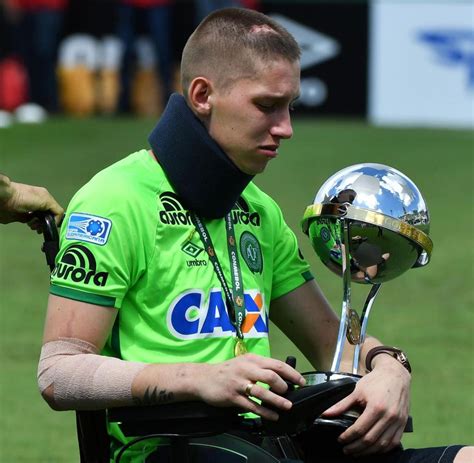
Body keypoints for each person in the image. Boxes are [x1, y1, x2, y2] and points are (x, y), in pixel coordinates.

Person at [37, 8, 473, 463]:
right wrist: (200, 378)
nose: (286, 128)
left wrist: (390, 367)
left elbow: (331, 343)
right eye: (267, 105)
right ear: (203, 95)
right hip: (165, 444)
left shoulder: (258, 209)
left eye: (290, 107)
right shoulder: (113, 200)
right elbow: (59, 371)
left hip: (272, 440)